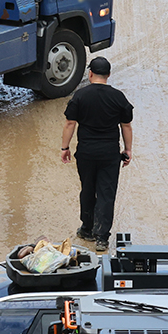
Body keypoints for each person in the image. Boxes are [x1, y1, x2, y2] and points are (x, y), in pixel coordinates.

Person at [60, 57, 134, 252]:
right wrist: (127, 150)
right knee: (106, 193)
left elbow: (70, 123)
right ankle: (102, 237)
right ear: (108, 75)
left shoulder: (80, 96)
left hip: (86, 153)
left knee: (87, 189)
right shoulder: (118, 97)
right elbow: (126, 125)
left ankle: (87, 228)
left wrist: (64, 148)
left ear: (90, 73)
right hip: (109, 153)